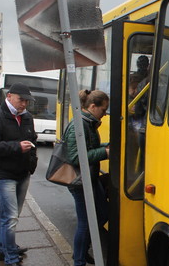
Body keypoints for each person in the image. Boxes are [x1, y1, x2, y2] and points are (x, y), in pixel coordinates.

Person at [0, 83, 38, 266]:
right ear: (10, 96)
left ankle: (2, 247)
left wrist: (31, 161)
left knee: (12, 216)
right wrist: (16, 147)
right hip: (3, 174)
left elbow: (32, 138)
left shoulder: (27, 117)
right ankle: (10, 256)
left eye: (27, 101)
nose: (24, 104)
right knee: (9, 217)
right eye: (21, 100)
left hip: (22, 173)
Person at [65, 89, 110, 266]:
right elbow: (76, 157)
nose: (105, 114)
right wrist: (104, 153)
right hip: (79, 181)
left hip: (89, 178)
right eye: (103, 110)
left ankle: (81, 250)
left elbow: (90, 146)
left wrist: (105, 146)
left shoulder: (88, 122)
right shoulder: (80, 124)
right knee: (85, 222)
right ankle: (79, 260)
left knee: (103, 213)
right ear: (92, 106)